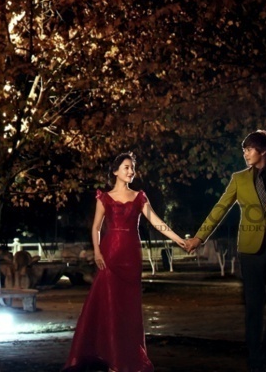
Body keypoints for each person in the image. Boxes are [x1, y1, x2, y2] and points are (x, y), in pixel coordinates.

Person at [62, 152, 190, 372]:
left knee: (128, 309)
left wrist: (179, 240)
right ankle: (112, 360)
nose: (131, 171)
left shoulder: (140, 197)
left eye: (132, 168)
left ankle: (126, 358)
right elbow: (96, 227)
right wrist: (97, 252)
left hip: (131, 255)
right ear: (115, 171)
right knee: (110, 305)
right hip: (110, 255)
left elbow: (157, 222)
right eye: (126, 167)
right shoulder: (105, 197)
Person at [187, 130, 266, 372]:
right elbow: (221, 207)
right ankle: (254, 357)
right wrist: (199, 237)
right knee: (254, 306)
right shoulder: (239, 179)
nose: (245, 153)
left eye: (249, 149)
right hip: (250, 251)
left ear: (264, 151)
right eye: (244, 149)